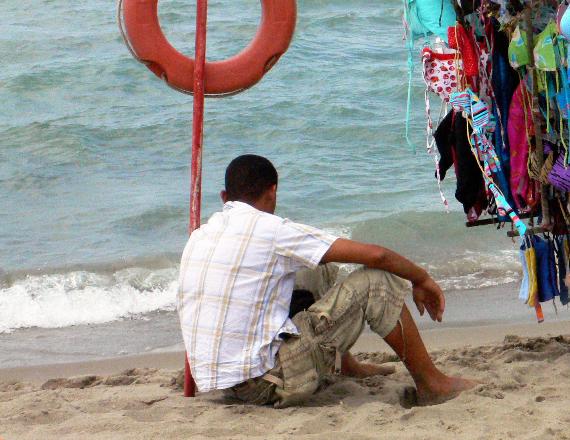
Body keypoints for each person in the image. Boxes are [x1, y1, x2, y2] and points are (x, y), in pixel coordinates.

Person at [177, 154, 477, 407]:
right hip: (265, 384)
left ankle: (349, 367)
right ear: (272, 192)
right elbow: (378, 256)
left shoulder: (200, 235)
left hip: (219, 385)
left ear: (225, 197)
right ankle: (432, 384)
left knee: (317, 267)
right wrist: (421, 278)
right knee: (377, 282)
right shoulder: (272, 229)